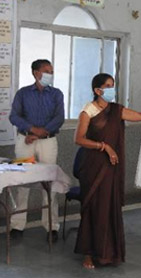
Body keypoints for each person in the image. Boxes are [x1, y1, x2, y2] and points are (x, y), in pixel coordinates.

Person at [74, 73, 141, 269]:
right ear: (98, 90)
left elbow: (140, 116)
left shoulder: (116, 110)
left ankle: (108, 254)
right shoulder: (87, 111)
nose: (111, 89)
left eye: (113, 85)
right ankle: (88, 254)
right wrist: (103, 146)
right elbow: (79, 139)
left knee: (109, 209)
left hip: (111, 168)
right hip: (94, 167)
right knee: (93, 209)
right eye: (107, 86)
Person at [9, 59, 64, 243]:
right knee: (22, 183)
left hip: (48, 142)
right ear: (35, 72)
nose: (50, 73)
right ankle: (17, 225)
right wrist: (32, 130)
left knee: (49, 183)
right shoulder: (23, 93)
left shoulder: (56, 94)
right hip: (25, 141)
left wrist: (41, 133)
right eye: (46, 70)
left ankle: (51, 226)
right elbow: (14, 116)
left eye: (51, 70)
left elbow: (59, 118)